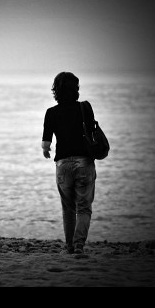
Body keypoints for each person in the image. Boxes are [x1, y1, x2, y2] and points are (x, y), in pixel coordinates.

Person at [42, 72, 97, 255]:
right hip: (84, 162)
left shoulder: (51, 113)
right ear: (76, 89)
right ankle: (79, 245)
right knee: (84, 207)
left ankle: (69, 246)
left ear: (55, 90)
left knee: (68, 208)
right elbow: (92, 133)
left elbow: (46, 144)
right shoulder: (85, 108)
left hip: (63, 164)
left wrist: (46, 151)